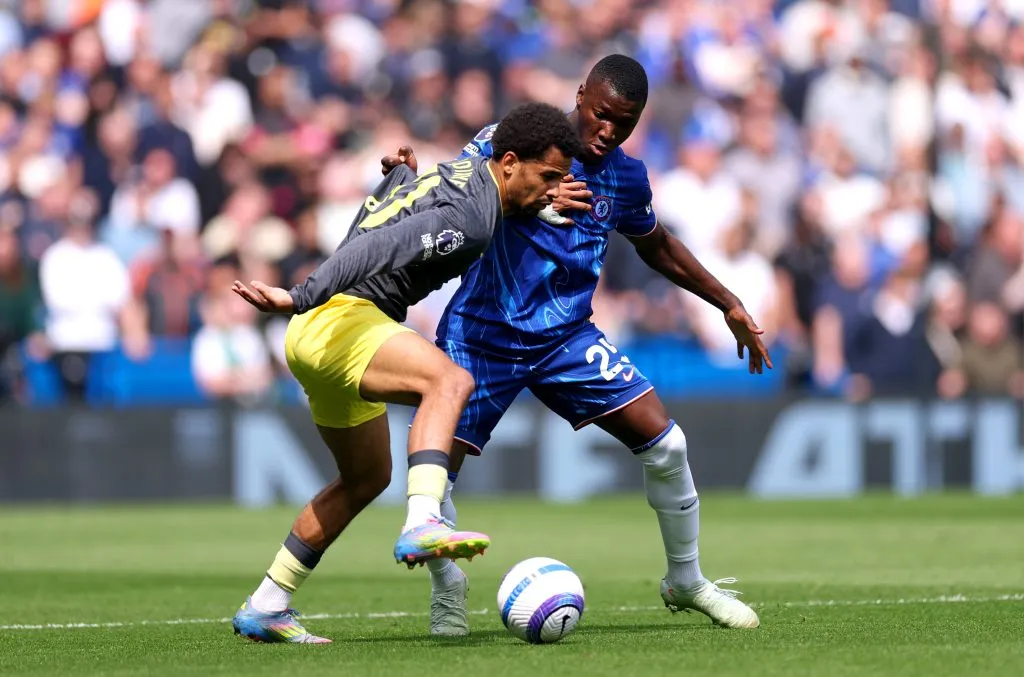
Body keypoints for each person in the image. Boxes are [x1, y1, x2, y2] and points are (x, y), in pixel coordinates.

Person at [382, 55, 772, 636]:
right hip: (482, 335)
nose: (608, 131)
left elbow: (657, 245)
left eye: (625, 123)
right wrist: (530, 198)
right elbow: (457, 202)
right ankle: (448, 589)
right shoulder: (510, 140)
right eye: (601, 115)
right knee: (435, 477)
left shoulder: (626, 177)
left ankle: (686, 580)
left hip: (565, 337)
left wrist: (727, 301)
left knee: (668, 445)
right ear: (581, 94)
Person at [228, 102, 581, 644]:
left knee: (367, 478)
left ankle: (267, 603)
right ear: (509, 162)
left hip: (321, 333)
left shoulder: (468, 173)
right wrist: (300, 295)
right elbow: (379, 244)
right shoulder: (471, 219)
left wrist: (399, 179)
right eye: (549, 177)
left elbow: (386, 215)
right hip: (340, 321)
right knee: (451, 382)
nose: (555, 190)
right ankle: (422, 522)